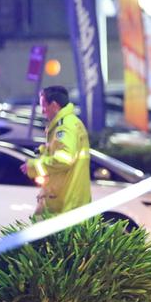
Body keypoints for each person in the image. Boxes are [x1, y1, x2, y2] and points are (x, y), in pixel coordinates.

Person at [21, 86, 91, 216]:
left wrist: (33, 167)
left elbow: (63, 160)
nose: (42, 111)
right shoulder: (70, 123)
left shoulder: (64, 127)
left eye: (43, 106)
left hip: (63, 203)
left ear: (54, 105)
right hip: (67, 199)